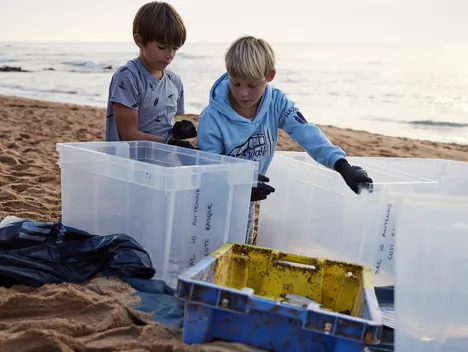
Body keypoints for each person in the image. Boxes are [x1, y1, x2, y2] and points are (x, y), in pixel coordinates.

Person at [195, 35, 373, 241]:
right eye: (236, 84)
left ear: (269, 76)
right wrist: (238, 187)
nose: (243, 93)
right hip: (214, 205)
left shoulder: (277, 104)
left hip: (246, 204)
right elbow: (209, 171)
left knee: (240, 253)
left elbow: (306, 132)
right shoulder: (212, 119)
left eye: (252, 85)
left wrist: (342, 166)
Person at [104, 1, 196, 147]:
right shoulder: (128, 77)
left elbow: (168, 124)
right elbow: (129, 134)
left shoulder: (175, 81)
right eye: (162, 47)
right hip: (128, 164)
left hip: (163, 164)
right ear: (139, 41)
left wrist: (180, 131)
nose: (170, 55)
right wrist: (169, 143)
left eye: (175, 48)